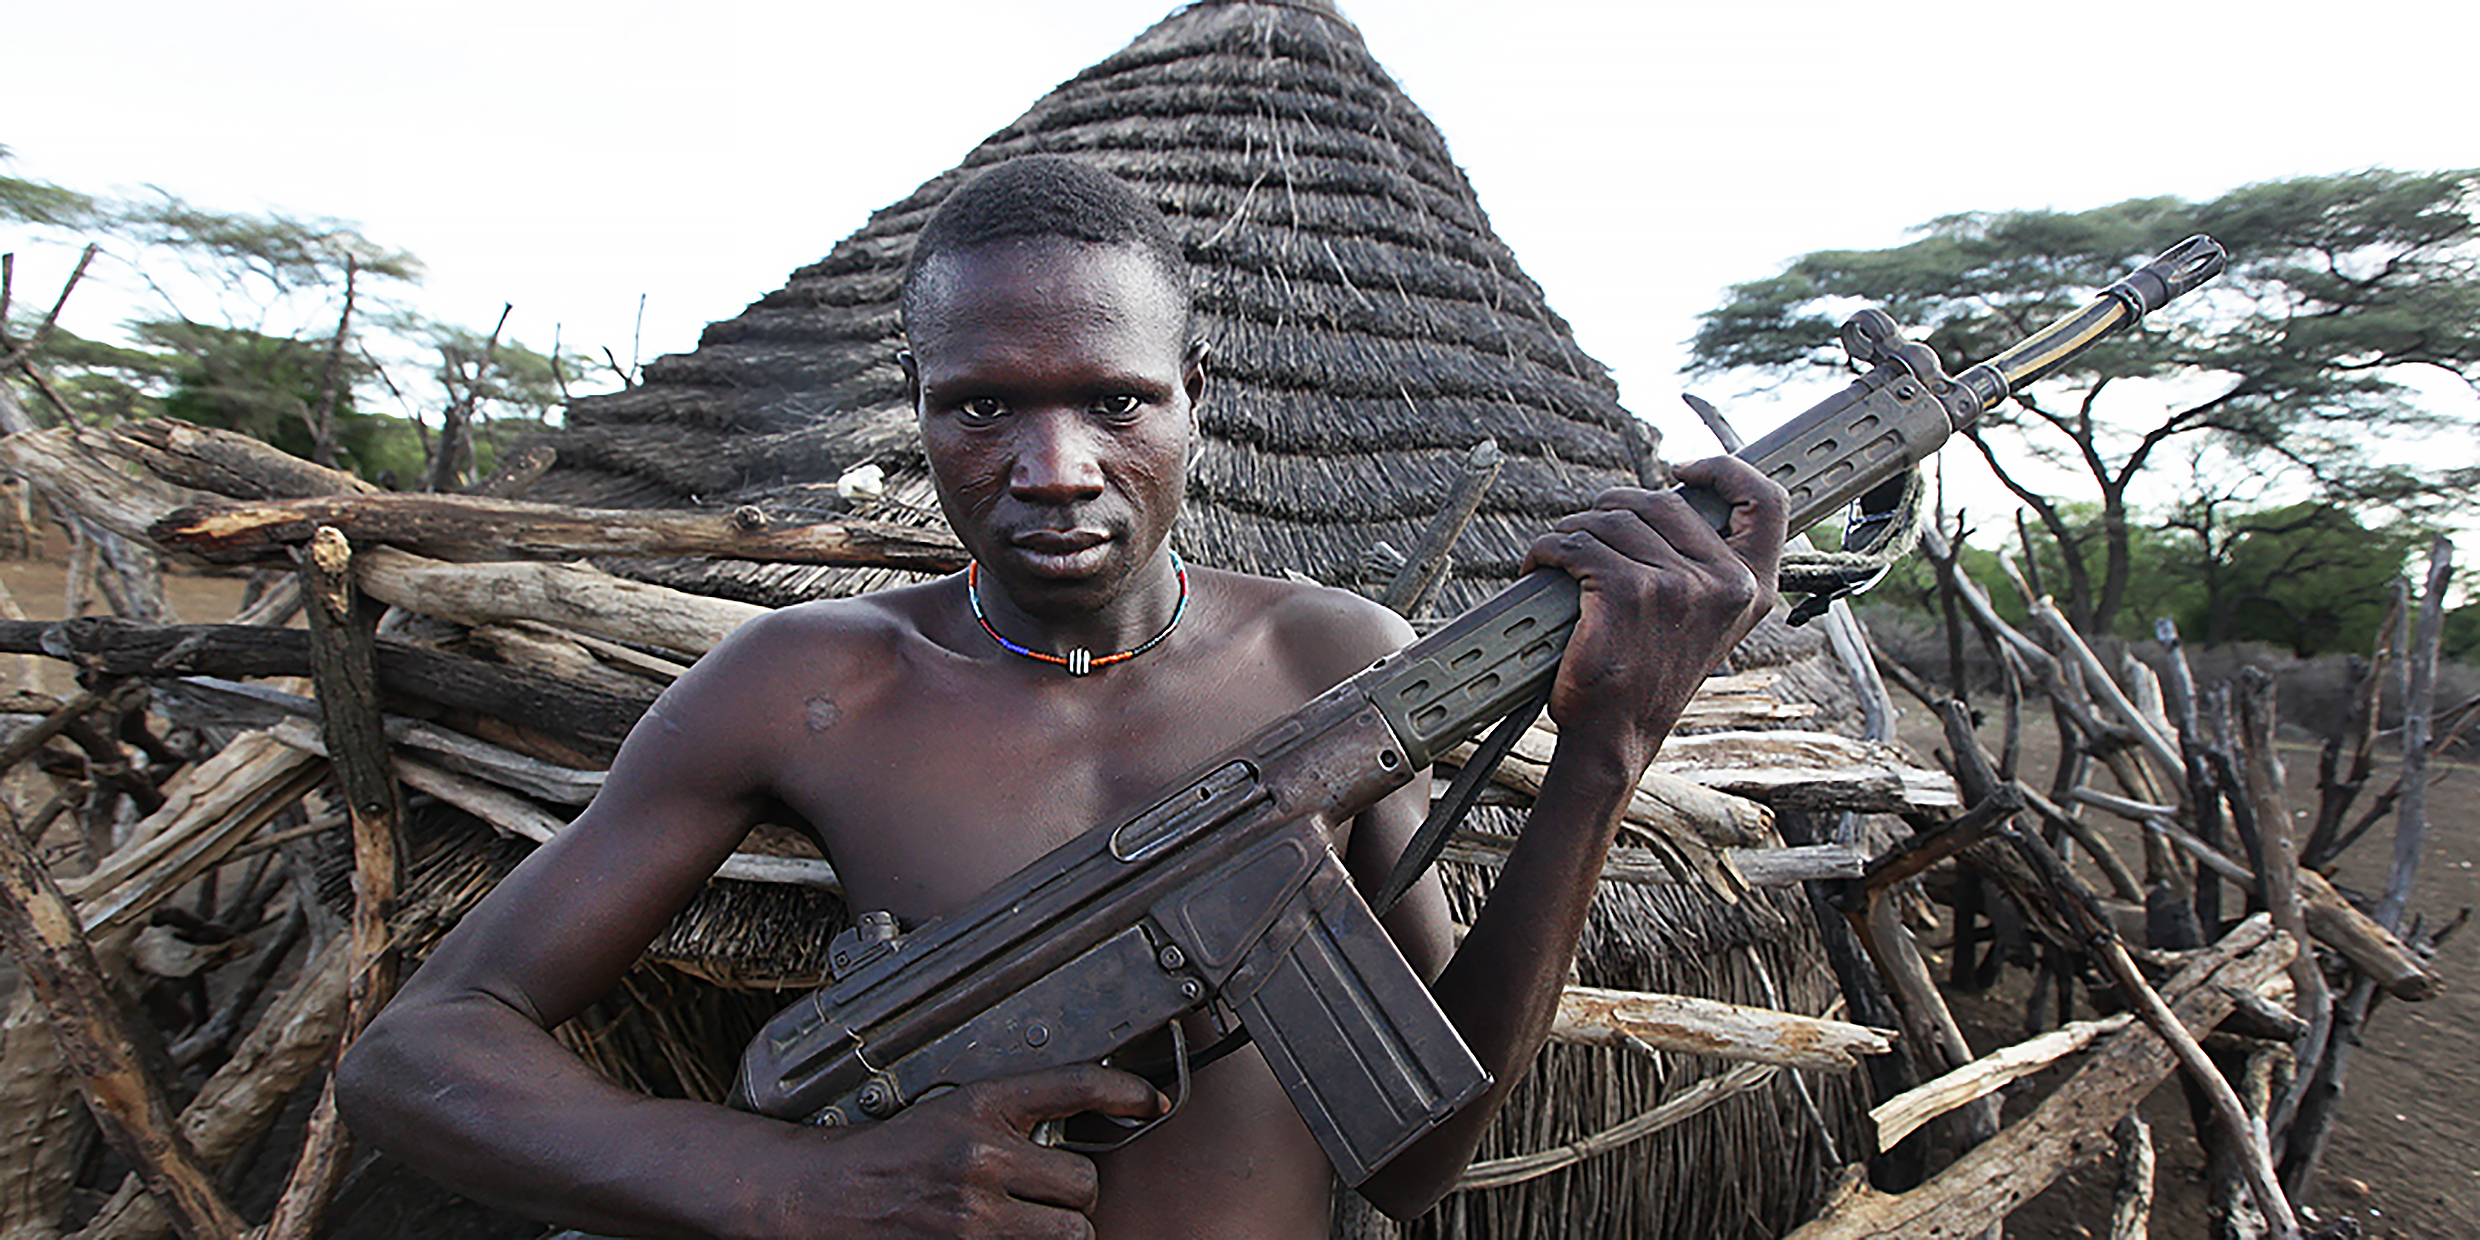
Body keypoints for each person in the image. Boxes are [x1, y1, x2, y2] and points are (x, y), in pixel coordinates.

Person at [337, 155, 1786, 1240]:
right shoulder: (814, 685)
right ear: (917, 403)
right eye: (982, 405)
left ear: (1193, 395)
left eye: (1112, 399)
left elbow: (1412, 1159)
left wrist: (1608, 751)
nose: (1053, 467)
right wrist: (794, 1185)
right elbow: (420, 1055)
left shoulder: (1330, 659)